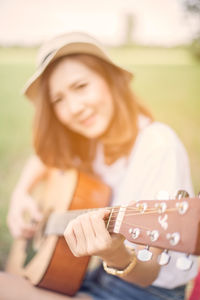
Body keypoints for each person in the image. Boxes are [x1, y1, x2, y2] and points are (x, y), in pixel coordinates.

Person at [0, 31, 198, 300]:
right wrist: (21, 194)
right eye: (58, 100)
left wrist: (115, 254)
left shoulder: (158, 145)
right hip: (97, 277)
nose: (74, 108)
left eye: (80, 87)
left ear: (110, 80)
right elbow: (43, 156)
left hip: (147, 291)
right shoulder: (90, 139)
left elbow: (150, 272)